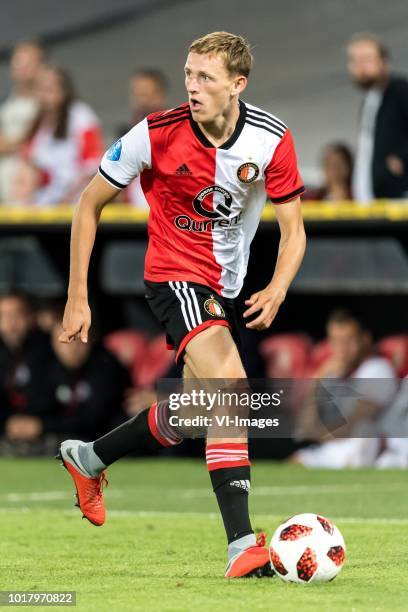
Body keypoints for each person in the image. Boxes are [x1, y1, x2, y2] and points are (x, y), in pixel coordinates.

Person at [57, 31, 306, 578]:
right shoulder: (154, 133)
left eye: (206, 78)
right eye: (189, 74)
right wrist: (78, 298)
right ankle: (242, 544)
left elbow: (294, 230)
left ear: (237, 84)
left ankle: (89, 457)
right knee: (231, 389)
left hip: (226, 286)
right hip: (174, 276)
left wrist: (280, 285)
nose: (192, 86)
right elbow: (87, 205)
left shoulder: (270, 139)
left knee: (199, 411)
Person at [291, 309, 397, 468]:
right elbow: (305, 427)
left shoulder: (378, 368)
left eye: (348, 340)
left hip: (370, 449)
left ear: (365, 339)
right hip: (332, 446)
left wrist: (317, 435)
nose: (342, 348)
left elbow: (355, 424)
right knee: (294, 463)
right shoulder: (330, 373)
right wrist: (317, 381)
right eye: (335, 341)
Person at [11, 65, 104, 206]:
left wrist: (68, 196)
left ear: (63, 91)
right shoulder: (38, 122)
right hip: (43, 203)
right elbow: (27, 162)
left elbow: (94, 164)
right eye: (41, 89)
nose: (44, 95)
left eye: (50, 89)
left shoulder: (81, 115)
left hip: (75, 203)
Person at [347, 33, 408, 202]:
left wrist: (401, 159)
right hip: (372, 198)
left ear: (384, 61)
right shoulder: (369, 101)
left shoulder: (400, 91)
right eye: (355, 61)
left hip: (398, 198)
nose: (361, 67)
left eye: (367, 59)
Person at [0, 292, 54, 451]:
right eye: (4, 315)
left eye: (17, 314)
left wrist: (40, 424)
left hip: (47, 429)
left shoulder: (49, 350)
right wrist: (7, 423)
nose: (11, 322)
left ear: (30, 317)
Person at [0, 41, 45, 202]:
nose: (22, 68)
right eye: (18, 62)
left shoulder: (50, 105)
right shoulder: (5, 104)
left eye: (28, 63)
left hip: (40, 192)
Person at [118, 69, 169, 207]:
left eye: (146, 94)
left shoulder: (175, 133)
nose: (141, 101)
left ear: (160, 95)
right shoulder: (125, 134)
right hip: (130, 218)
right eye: (136, 94)